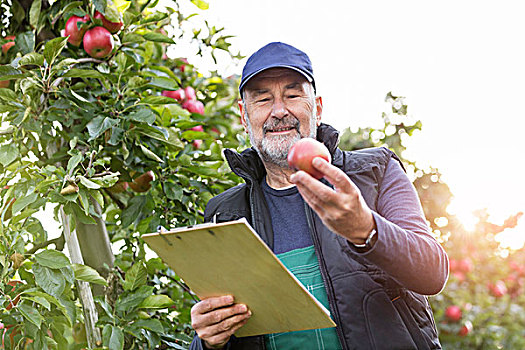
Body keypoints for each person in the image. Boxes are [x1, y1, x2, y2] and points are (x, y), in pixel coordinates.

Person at [189, 42, 448, 350]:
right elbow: (224, 327)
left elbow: (432, 273)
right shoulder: (225, 211)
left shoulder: (375, 172)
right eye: (263, 99)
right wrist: (208, 342)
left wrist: (367, 230)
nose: (279, 110)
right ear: (245, 118)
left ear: (318, 107)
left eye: (293, 95)